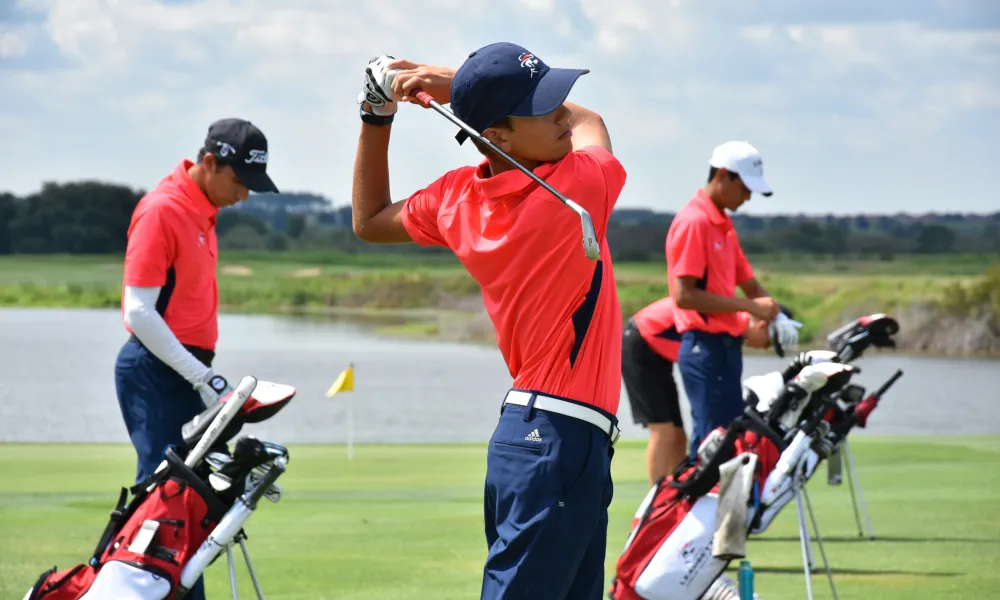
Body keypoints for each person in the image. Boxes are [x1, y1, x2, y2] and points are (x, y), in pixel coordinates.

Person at [351, 43, 627, 600]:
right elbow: (592, 119)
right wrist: (454, 82)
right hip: (556, 437)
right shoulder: (578, 187)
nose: (560, 114)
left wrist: (376, 115)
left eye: (556, 99)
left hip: (538, 438)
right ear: (498, 135)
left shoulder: (455, 197)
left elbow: (371, 220)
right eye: (542, 106)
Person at [114, 118, 279, 600]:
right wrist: (201, 376)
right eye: (240, 182)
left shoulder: (202, 211)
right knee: (167, 504)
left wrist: (201, 377)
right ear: (210, 163)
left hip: (183, 372)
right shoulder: (163, 210)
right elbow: (139, 311)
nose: (245, 196)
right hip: (155, 371)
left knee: (191, 502)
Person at [665, 140, 800, 457]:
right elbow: (684, 296)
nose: (748, 196)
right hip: (704, 348)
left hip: (725, 350)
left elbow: (751, 285)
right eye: (745, 187)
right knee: (712, 445)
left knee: (725, 442)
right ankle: (693, 506)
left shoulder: (723, 224)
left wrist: (777, 317)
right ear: (723, 175)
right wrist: (751, 309)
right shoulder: (694, 221)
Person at [622, 296, 773, 486]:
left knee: (678, 435)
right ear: (761, 325)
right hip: (639, 343)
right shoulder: (730, 323)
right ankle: (655, 502)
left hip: (654, 353)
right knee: (664, 432)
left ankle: (676, 492)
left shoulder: (731, 320)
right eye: (768, 342)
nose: (764, 347)